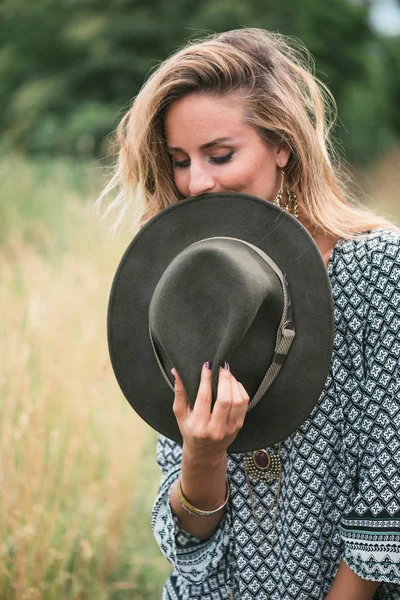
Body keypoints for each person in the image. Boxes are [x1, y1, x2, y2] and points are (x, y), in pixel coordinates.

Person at [99, 29, 400, 600]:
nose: (198, 182)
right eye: (180, 161)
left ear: (281, 144)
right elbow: (191, 539)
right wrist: (203, 455)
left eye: (220, 155)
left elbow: (390, 487)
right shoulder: (178, 278)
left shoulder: (377, 269)